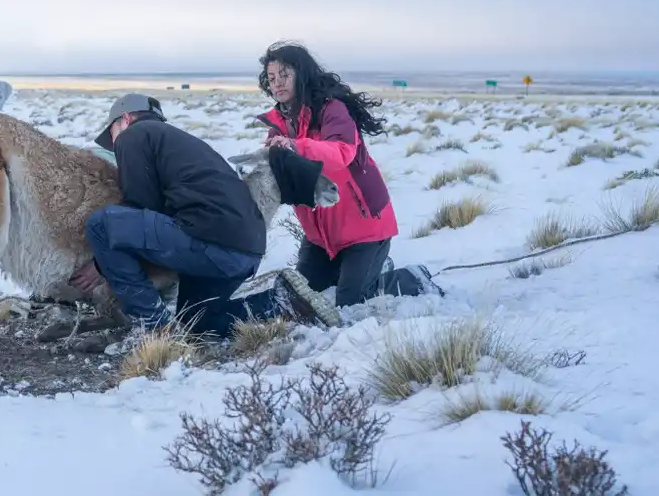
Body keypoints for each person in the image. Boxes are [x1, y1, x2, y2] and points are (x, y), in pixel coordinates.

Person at [79, 93, 325, 338]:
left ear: (125, 118)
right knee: (197, 320)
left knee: (103, 224)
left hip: (209, 241)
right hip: (245, 253)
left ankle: (155, 326)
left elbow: (140, 205)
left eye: (111, 133)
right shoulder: (182, 144)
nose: (114, 143)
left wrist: (102, 262)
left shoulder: (134, 134)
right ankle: (282, 301)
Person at [245, 41, 443, 313]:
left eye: (285, 75)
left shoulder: (331, 109)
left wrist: (295, 146)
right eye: (272, 78)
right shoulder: (280, 124)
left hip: (364, 227)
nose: (278, 83)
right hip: (320, 236)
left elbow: (342, 152)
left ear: (302, 74)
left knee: (352, 299)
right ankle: (354, 270)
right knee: (301, 295)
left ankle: (410, 278)